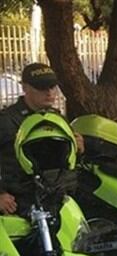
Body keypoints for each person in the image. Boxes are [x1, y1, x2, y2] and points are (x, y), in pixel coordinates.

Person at [0, 63, 82, 216]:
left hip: (58, 198)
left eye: (52, 87)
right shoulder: (6, 120)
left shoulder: (57, 119)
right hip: (18, 203)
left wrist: (78, 148)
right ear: (25, 88)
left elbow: (68, 161)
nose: (49, 93)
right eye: (41, 88)